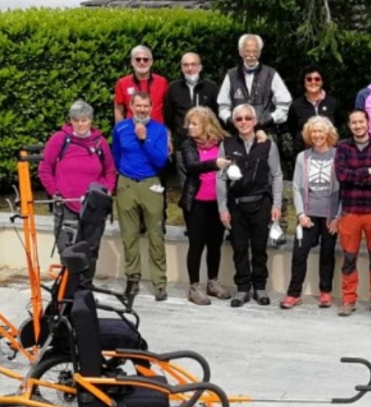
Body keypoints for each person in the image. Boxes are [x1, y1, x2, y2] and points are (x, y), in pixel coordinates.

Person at [216, 104, 283, 306]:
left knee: (260, 248)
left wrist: (277, 205)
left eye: (247, 118)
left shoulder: (268, 145)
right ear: (234, 122)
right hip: (236, 206)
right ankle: (243, 289)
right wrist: (222, 208)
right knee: (239, 248)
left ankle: (260, 288)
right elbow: (220, 179)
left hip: (261, 203)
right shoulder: (226, 145)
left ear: (254, 121)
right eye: (239, 119)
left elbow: (277, 175)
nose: (244, 122)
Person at [111, 92, 172, 301]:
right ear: (131, 106)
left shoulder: (160, 130)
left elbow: (161, 161)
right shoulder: (121, 128)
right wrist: (124, 177)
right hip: (127, 183)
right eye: (138, 105)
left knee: (156, 234)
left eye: (146, 106)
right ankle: (132, 279)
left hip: (151, 183)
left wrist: (144, 139)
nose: (142, 109)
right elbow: (116, 156)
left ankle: (160, 283)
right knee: (129, 235)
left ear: (151, 106)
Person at [334, 109, 371, 317]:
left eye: (361, 122)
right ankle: (348, 300)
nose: (358, 126)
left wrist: (355, 175)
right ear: (349, 126)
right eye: (353, 123)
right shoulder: (342, 147)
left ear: (368, 123)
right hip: (350, 211)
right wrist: (368, 171)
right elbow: (341, 175)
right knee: (349, 258)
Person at [39, 99, 116, 249]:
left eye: (84, 120)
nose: (80, 124)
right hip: (66, 205)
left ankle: (88, 273)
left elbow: (110, 170)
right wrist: (55, 192)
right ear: (70, 121)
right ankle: (69, 273)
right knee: (67, 251)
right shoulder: (59, 139)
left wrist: (107, 191)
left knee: (90, 251)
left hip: (93, 206)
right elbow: (45, 168)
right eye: (76, 120)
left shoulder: (100, 142)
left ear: (91, 120)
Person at [282, 117, 341, 309]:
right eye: (314, 131)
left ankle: (325, 292)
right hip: (307, 215)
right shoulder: (303, 157)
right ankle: (293, 293)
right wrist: (300, 214)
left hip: (330, 216)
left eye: (321, 131)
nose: (317, 135)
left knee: (327, 254)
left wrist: (337, 217)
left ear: (328, 134)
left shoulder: (337, 155)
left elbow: (343, 190)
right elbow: (297, 187)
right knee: (299, 253)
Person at [176, 106, 232, 305]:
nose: (189, 127)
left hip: (217, 203)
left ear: (206, 124)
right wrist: (214, 164)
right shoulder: (188, 145)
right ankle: (194, 287)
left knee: (215, 244)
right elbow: (192, 167)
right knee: (196, 244)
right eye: (189, 124)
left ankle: (213, 282)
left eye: (194, 123)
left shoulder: (222, 143)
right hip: (196, 202)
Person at [217, 34, 292, 131]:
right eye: (247, 51)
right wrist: (232, 121)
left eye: (255, 51)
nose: (251, 55)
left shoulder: (271, 74)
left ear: (260, 53)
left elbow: (284, 104)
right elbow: (223, 106)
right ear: (240, 52)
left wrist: (267, 121)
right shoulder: (231, 75)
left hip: (266, 132)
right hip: (238, 133)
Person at [163, 52, 220, 146]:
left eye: (193, 64)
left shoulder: (211, 87)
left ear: (200, 67)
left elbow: (217, 115)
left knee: (210, 162)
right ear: (181, 68)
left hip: (207, 143)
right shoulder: (173, 88)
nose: (190, 68)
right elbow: (169, 117)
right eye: (186, 65)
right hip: (181, 144)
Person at [114, 45, 168, 125]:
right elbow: (118, 110)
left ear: (151, 62)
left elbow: (168, 109)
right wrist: (120, 131)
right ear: (132, 62)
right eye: (138, 59)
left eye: (145, 60)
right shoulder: (122, 83)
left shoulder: (162, 82)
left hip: (157, 132)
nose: (142, 62)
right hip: (131, 131)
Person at [288, 66, 341, 148]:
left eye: (317, 79)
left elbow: (338, 125)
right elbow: (292, 129)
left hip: (329, 151)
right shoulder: (296, 105)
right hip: (304, 151)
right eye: (309, 79)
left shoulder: (332, 103)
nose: (313, 82)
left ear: (322, 82)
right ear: (304, 82)